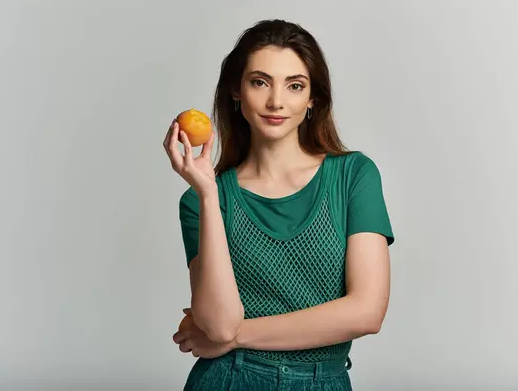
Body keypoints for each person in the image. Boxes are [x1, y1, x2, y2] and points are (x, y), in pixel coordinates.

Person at [163, 19, 395, 391]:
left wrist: (236, 337)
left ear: (312, 98)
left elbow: (367, 312)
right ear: (236, 92)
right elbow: (220, 324)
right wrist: (207, 193)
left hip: (323, 381)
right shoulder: (201, 200)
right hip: (227, 380)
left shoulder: (354, 175)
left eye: (295, 85)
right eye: (259, 82)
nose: (276, 101)